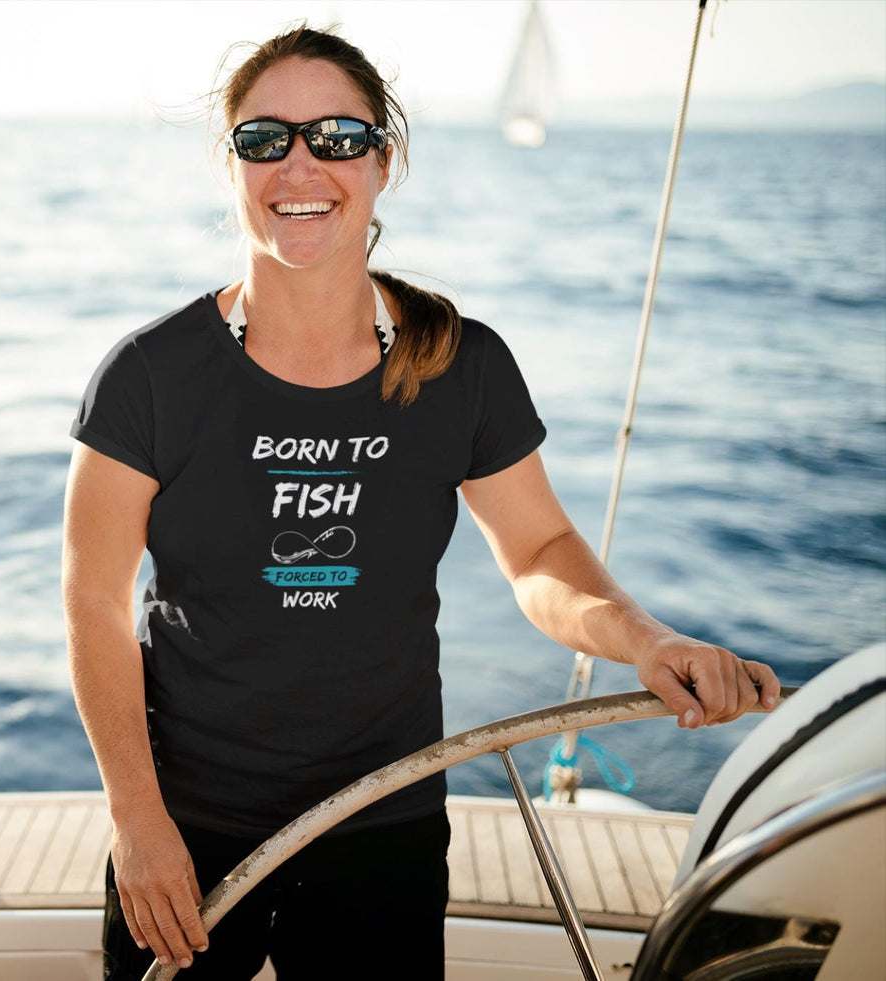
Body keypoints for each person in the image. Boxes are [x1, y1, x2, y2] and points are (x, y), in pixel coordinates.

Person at [62, 25, 781, 981]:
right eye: (264, 138)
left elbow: (538, 553)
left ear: (383, 160)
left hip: (384, 814)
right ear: (229, 163)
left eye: (337, 136)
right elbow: (94, 600)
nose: (300, 164)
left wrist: (646, 641)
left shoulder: (460, 365)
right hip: (190, 821)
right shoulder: (150, 375)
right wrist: (136, 819)